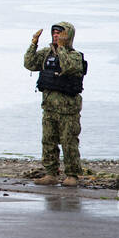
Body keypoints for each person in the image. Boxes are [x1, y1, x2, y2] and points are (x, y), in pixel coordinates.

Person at [23, 21, 84, 186]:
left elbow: (68, 67)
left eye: (60, 33)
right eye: (54, 33)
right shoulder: (46, 54)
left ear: (68, 36)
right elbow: (29, 63)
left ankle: (72, 175)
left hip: (68, 110)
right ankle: (51, 173)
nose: (56, 35)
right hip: (49, 107)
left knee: (69, 142)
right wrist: (33, 43)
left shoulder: (75, 56)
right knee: (48, 141)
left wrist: (62, 48)